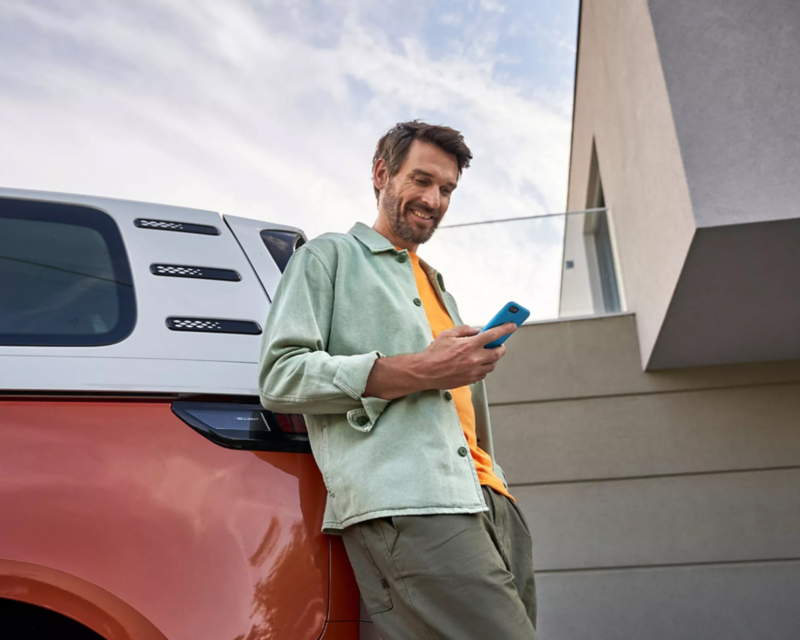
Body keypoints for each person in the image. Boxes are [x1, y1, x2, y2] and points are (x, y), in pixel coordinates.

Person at [258, 121, 537, 639]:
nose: (435, 200)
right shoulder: (327, 257)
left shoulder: (436, 285)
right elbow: (281, 377)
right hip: (414, 503)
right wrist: (422, 368)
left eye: (447, 189)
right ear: (382, 174)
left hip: (490, 499)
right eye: (422, 180)